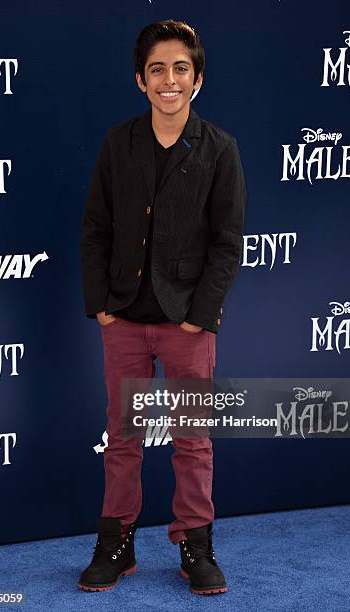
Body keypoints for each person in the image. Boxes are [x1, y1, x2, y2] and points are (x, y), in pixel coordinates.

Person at [78, 19, 246, 596]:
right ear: (140, 80)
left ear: (197, 80)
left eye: (180, 68)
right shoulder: (117, 144)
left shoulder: (219, 148)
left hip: (187, 324)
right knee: (123, 437)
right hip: (123, 317)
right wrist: (100, 303)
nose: (168, 80)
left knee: (192, 440)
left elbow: (228, 241)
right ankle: (116, 543)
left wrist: (202, 315)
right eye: (157, 69)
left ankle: (195, 544)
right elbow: (96, 228)